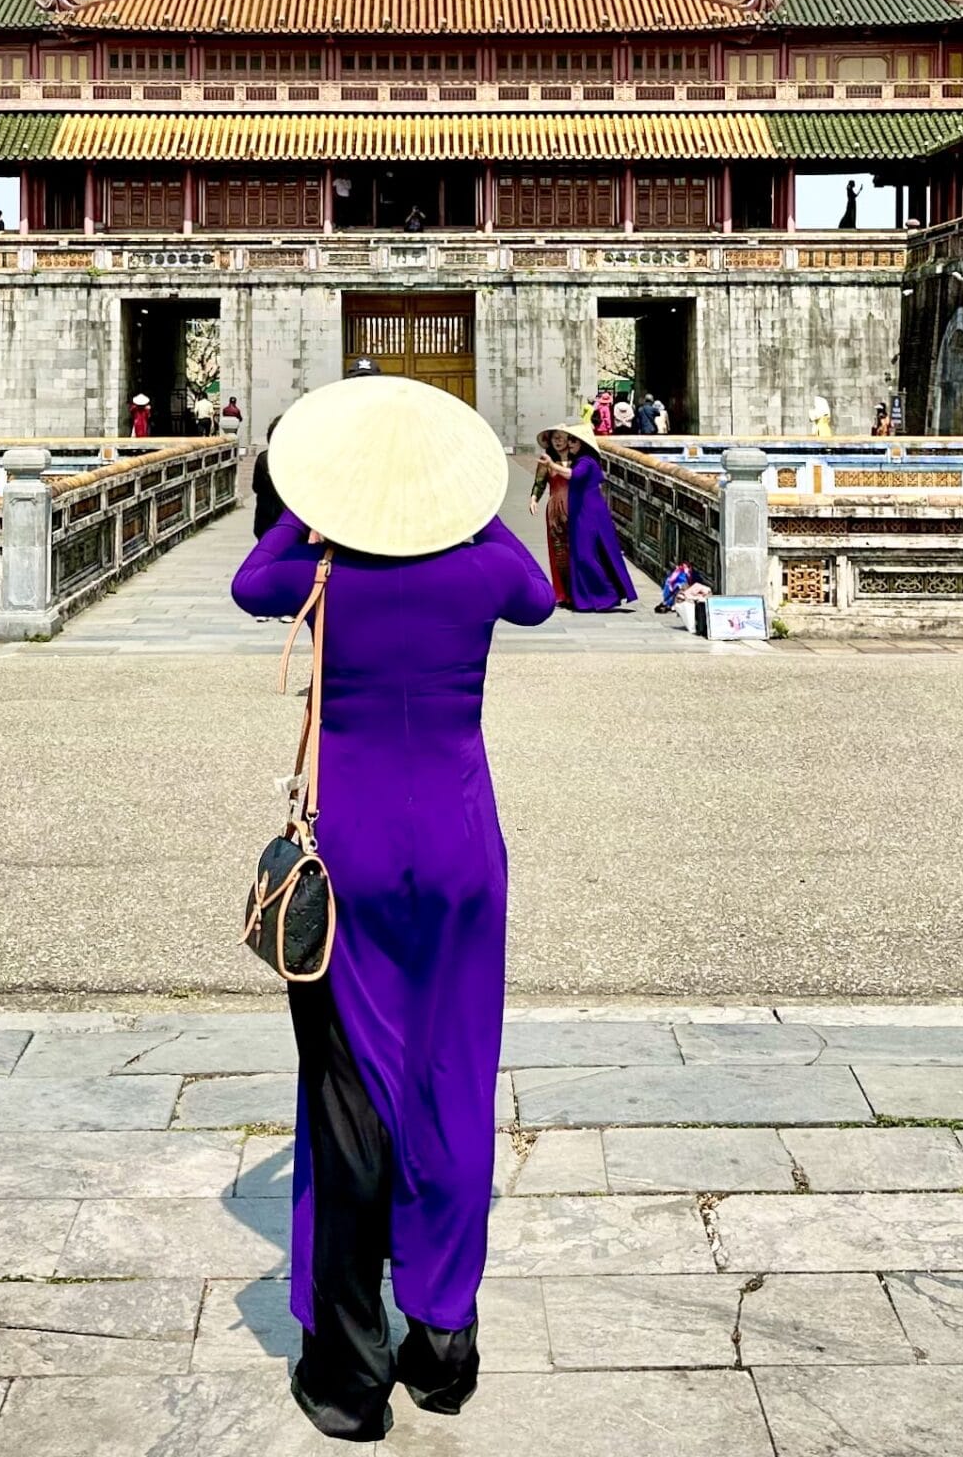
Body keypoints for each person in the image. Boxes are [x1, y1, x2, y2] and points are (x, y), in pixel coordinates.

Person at [233, 377, 556, 1440]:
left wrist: (308, 503)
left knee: (347, 1099)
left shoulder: (320, 572)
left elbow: (249, 577)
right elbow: (538, 592)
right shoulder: (479, 571)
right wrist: (475, 505)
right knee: (454, 1080)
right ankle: (444, 1347)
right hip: (463, 847)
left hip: (353, 852)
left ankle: (349, 1375)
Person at [531, 421, 637, 612]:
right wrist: (534, 498)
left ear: (581, 444)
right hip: (575, 512)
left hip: (588, 514)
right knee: (572, 555)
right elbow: (540, 483)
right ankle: (580, 596)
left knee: (584, 556)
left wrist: (552, 464)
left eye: (572, 440)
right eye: (566, 440)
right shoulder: (579, 460)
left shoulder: (586, 462)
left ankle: (605, 596)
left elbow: (573, 475)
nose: (568, 444)